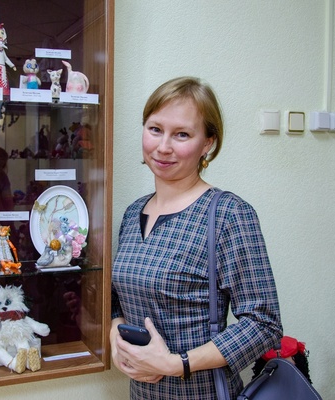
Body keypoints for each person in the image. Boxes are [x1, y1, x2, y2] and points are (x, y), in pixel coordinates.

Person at [110, 76, 283, 399]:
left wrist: (177, 364)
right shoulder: (133, 213)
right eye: (155, 129)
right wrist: (114, 336)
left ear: (207, 143)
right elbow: (117, 299)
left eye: (182, 134)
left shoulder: (229, 214)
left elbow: (264, 324)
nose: (163, 147)